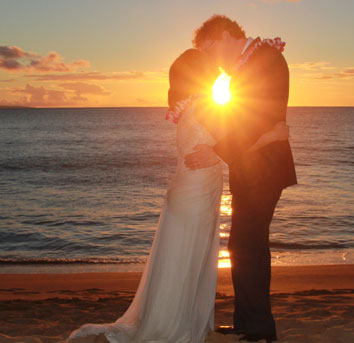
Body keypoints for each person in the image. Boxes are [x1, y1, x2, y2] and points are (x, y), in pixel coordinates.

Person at [67, 48, 289, 343]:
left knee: (179, 261)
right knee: (187, 261)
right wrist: (273, 135)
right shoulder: (207, 108)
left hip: (187, 194)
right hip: (195, 198)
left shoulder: (189, 110)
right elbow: (236, 144)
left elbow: (223, 146)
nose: (216, 68)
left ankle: (175, 318)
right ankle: (173, 326)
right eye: (208, 66)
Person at [185, 15, 298, 343]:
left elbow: (260, 121)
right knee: (244, 245)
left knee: (249, 246)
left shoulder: (266, 59)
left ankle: (260, 328)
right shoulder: (248, 65)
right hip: (251, 168)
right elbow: (242, 121)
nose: (210, 59)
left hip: (265, 169)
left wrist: (216, 152)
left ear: (223, 36)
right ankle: (248, 323)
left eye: (209, 50)